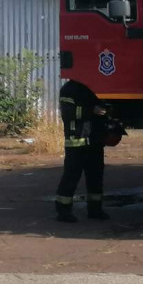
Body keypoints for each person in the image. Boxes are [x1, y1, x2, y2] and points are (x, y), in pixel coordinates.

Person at [55, 79, 112, 222]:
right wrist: (92, 110)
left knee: (96, 176)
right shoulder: (69, 89)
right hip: (76, 142)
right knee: (71, 176)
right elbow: (68, 113)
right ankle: (63, 211)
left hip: (94, 141)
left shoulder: (94, 87)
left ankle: (95, 210)